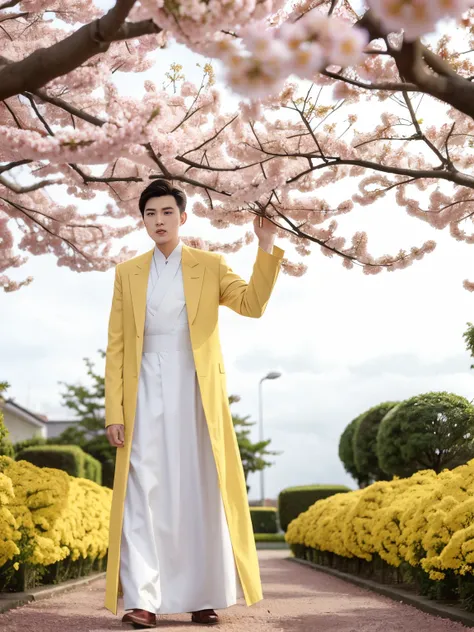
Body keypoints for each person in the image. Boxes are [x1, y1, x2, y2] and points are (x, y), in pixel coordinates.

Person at [103, 179, 283, 628]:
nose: (159, 221)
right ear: (142, 220)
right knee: (143, 490)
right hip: (142, 387)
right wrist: (114, 412)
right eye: (150, 214)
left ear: (183, 218)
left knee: (200, 485)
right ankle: (143, 599)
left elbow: (253, 304)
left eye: (167, 213)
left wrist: (266, 246)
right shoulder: (128, 273)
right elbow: (117, 345)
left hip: (196, 387)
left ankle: (205, 594)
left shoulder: (210, 265)